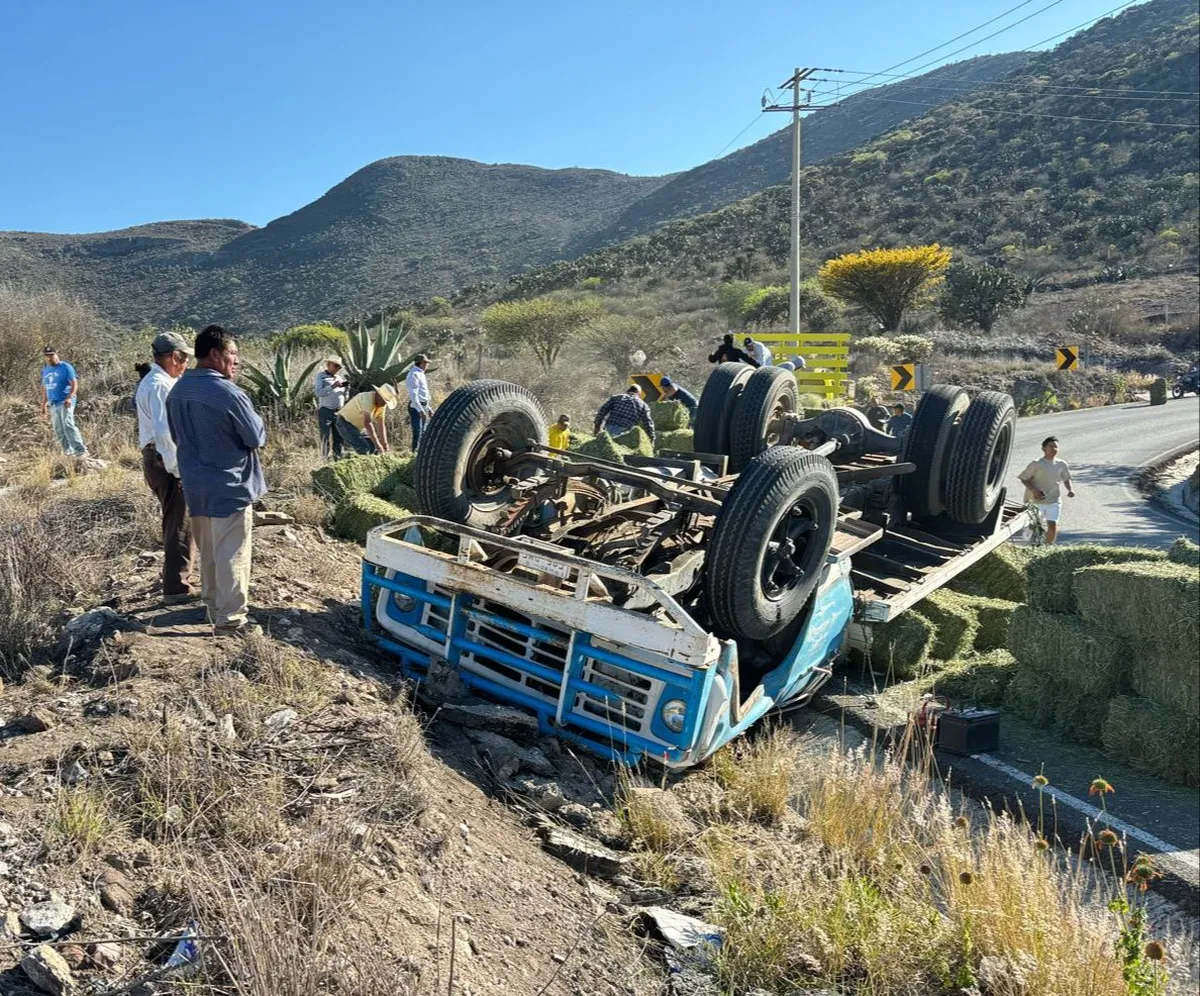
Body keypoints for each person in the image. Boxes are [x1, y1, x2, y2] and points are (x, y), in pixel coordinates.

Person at [166, 325, 267, 636]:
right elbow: (255, 437)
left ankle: (212, 607)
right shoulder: (230, 394)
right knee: (232, 553)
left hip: (196, 486)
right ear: (214, 354)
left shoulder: (177, 391)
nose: (236, 361)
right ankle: (231, 620)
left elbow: (175, 437)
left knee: (208, 551)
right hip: (229, 486)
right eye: (232, 354)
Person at [135, 331, 197, 605]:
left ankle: (178, 581)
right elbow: (166, 433)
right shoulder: (160, 385)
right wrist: (179, 470)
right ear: (174, 357)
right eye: (184, 358)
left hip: (157, 459)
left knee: (177, 521)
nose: (186, 364)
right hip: (165, 461)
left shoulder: (155, 381)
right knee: (179, 524)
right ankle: (177, 588)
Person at [1018, 435, 1075, 545]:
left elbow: (1066, 479)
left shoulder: (1061, 464)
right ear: (1043, 448)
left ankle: (1048, 548)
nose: (1054, 449)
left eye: (1056, 447)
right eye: (1051, 446)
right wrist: (1034, 490)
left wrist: (1070, 490)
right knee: (1033, 526)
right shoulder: (1036, 463)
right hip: (1036, 501)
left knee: (1052, 525)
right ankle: (1026, 544)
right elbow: (1024, 479)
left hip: (1054, 500)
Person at [40, 346, 88, 457]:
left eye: (51, 355)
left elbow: (74, 383)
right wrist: (44, 404)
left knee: (67, 424)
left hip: (65, 401)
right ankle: (68, 452)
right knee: (58, 429)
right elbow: (45, 388)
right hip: (53, 402)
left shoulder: (65, 367)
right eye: (47, 356)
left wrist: (70, 397)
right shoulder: (46, 370)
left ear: (56, 354)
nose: (49, 357)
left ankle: (80, 450)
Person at [336, 384, 398, 455]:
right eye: (384, 401)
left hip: (359, 427)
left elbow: (381, 424)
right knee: (363, 448)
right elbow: (368, 423)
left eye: (386, 402)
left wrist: (384, 444)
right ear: (378, 395)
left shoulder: (381, 405)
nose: (384, 404)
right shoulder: (367, 398)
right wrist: (378, 445)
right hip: (344, 423)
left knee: (372, 447)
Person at [314, 355, 349, 460]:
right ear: (328, 364)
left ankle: (338, 457)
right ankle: (324, 458)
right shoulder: (321, 376)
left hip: (339, 411)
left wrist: (347, 389)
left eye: (339, 367)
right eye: (336, 366)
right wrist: (332, 386)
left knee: (339, 436)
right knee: (325, 435)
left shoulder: (339, 378)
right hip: (326, 410)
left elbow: (345, 397)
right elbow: (319, 393)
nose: (338, 368)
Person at [405, 354, 434, 451]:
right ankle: (414, 452)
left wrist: (428, 408)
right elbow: (413, 395)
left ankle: (421, 452)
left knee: (424, 432)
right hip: (416, 407)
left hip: (423, 405)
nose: (427, 365)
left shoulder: (421, 374)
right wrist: (420, 410)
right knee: (418, 432)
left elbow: (423, 394)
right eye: (426, 363)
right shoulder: (413, 375)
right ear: (421, 363)